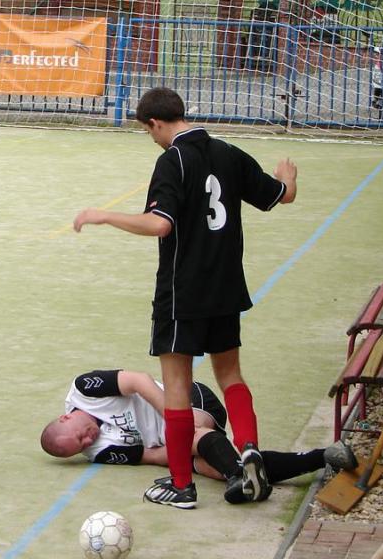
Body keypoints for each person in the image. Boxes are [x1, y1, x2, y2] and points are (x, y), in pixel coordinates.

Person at [73, 87, 298, 509]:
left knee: (176, 386)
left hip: (182, 294)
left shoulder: (172, 160)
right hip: (227, 288)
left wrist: (104, 215)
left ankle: (181, 485)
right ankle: (248, 447)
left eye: (149, 132)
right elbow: (280, 195)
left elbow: (160, 224)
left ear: (156, 123)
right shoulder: (228, 153)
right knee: (231, 375)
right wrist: (288, 177)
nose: (153, 139)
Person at [40, 369, 356, 508]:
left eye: (80, 436)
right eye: (80, 448)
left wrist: (173, 418)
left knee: (191, 434)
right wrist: (186, 458)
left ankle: (238, 475)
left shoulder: (85, 388)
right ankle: (324, 456)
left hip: (187, 400)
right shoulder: (98, 452)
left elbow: (138, 381)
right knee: (211, 468)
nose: (87, 442)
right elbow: (151, 456)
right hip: (177, 438)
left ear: (66, 417)